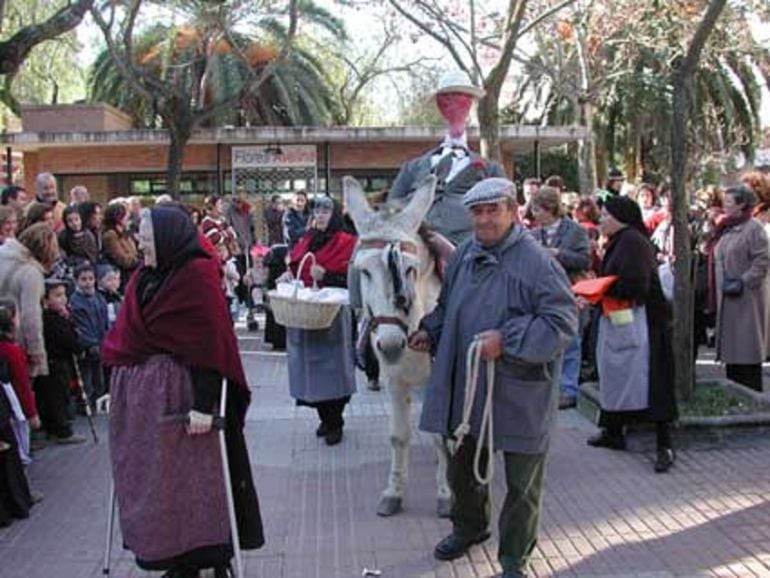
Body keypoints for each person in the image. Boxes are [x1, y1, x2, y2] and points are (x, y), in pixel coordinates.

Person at [410, 177, 577, 578]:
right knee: (461, 470)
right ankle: (470, 528)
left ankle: (514, 558)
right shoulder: (465, 254)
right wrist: (430, 329)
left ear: (513, 210)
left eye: (493, 210)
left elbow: (563, 321)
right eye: (477, 211)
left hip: (519, 390)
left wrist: (508, 339)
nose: (484, 219)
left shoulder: (538, 262)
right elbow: (449, 305)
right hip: (469, 392)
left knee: (522, 485)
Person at [101, 206, 264, 577]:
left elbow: (211, 345)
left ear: (168, 236)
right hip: (144, 409)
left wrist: (205, 406)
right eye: (140, 234)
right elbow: (125, 335)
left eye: (146, 234)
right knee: (160, 485)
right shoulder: (145, 275)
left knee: (198, 484)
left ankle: (209, 557)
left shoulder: (195, 277)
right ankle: (174, 558)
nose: (140, 241)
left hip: (184, 402)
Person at [586, 196, 678, 473]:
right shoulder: (623, 240)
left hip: (642, 323)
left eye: (605, 216)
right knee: (615, 374)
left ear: (620, 217)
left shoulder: (632, 242)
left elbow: (635, 285)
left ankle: (664, 445)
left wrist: (597, 289)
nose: (600, 220)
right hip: (624, 319)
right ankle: (613, 430)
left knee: (651, 382)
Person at [387, 70, 505, 245]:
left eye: (461, 99)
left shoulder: (490, 169)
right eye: (447, 99)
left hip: (469, 248)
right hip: (416, 246)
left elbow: (503, 211)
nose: (454, 105)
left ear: (470, 104)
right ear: (439, 105)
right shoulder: (412, 167)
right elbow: (392, 207)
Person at [285, 197, 357, 446]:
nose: (321, 214)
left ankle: (335, 421)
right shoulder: (308, 238)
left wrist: (328, 276)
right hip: (306, 313)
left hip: (332, 317)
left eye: (326, 210)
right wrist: (287, 273)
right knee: (311, 370)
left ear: (335, 213)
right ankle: (324, 418)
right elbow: (296, 264)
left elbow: (354, 281)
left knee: (333, 370)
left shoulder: (347, 242)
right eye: (317, 209)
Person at [529, 186, 591, 410]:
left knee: (572, 342)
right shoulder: (533, 234)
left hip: (572, 292)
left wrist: (558, 255)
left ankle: (568, 390)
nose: (534, 214)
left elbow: (586, 260)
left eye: (537, 210)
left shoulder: (575, 231)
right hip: (543, 295)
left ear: (550, 208)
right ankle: (548, 389)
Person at [708, 185, 769, 391]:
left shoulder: (753, 228)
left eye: (728, 201)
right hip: (727, 297)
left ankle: (752, 395)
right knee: (732, 354)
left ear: (741, 204)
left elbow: (762, 260)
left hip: (746, 300)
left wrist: (744, 281)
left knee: (746, 351)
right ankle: (735, 393)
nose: (724, 205)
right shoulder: (726, 228)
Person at [0, 223, 59, 378]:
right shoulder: (31, 274)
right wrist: (37, 355)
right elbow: (31, 318)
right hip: (15, 342)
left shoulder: (3, 256)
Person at [36, 280, 86, 444]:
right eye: (57, 296)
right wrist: (77, 346)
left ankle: (54, 427)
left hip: (60, 361)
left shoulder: (59, 316)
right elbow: (67, 339)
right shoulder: (51, 319)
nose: (63, 299)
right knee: (56, 397)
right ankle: (61, 430)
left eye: (64, 295)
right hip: (55, 362)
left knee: (59, 394)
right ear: (45, 300)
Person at [0, 299, 42, 466]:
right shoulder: (11, 351)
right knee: (19, 445)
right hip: (12, 407)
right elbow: (21, 385)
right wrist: (31, 413)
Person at [70, 263, 109, 408]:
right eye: (83, 279)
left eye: (90, 279)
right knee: (86, 378)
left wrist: (106, 339)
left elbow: (105, 322)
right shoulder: (76, 302)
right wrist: (91, 343)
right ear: (76, 281)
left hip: (101, 343)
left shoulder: (99, 298)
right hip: (87, 347)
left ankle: (97, 402)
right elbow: (81, 327)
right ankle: (85, 404)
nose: (88, 283)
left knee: (99, 377)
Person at [102, 202, 140, 284]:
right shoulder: (111, 236)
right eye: (125, 216)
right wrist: (138, 262)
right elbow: (122, 260)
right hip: (124, 277)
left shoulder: (125, 233)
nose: (128, 218)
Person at [201, 195, 238, 260]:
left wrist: (225, 235)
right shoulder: (207, 222)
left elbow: (234, 234)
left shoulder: (223, 220)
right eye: (220, 204)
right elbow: (217, 239)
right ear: (212, 206)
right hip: (215, 259)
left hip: (228, 259)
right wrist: (227, 235)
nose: (222, 206)